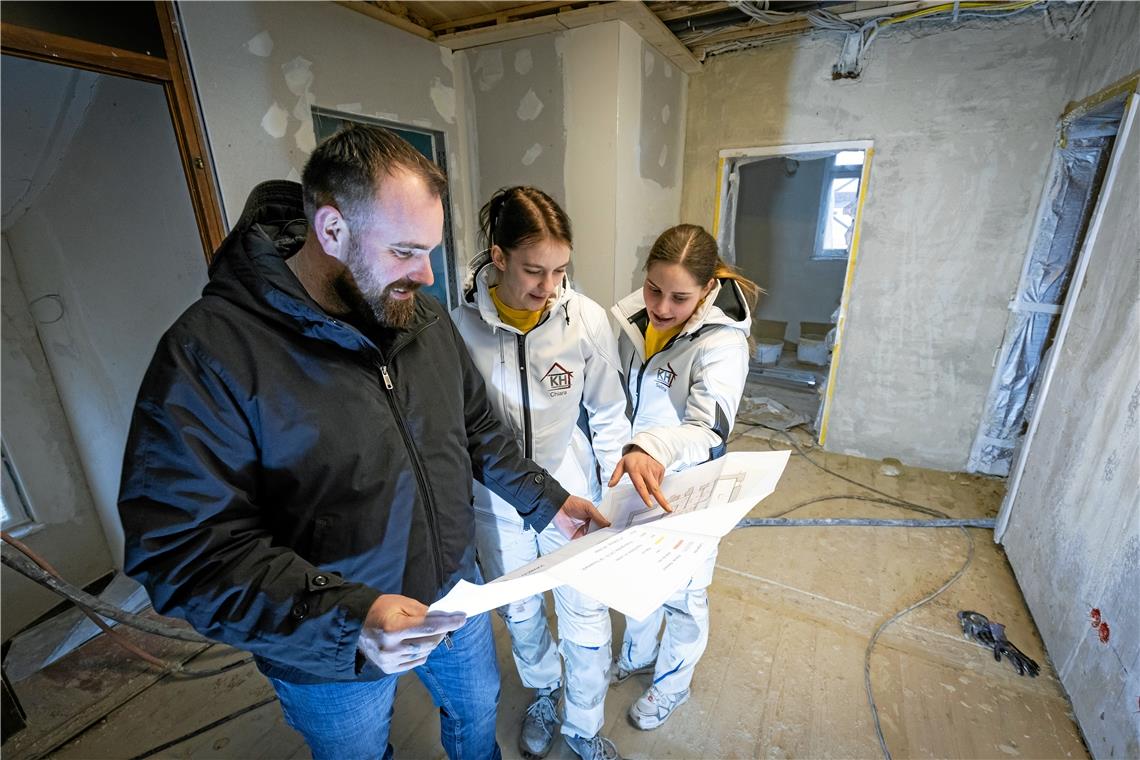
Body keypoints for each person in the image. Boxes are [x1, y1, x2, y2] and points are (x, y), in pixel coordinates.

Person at [117, 125, 608, 760]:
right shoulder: (211, 353)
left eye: (429, 250)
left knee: (476, 712)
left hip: (454, 598)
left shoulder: (419, 317)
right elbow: (182, 550)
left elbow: (477, 429)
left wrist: (550, 502)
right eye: (405, 251)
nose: (427, 276)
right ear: (330, 231)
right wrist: (349, 621)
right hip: (330, 652)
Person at [451, 187, 629, 760]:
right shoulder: (456, 329)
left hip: (569, 490)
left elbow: (607, 411)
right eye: (534, 270)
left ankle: (581, 725)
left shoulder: (585, 322)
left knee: (585, 613)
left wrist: (616, 490)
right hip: (495, 504)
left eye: (560, 270)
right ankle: (546, 691)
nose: (548, 287)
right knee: (522, 613)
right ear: (498, 257)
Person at [606, 223, 759, 730]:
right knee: (637, 576)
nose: (663, 308)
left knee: (685, 595)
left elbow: (708, 428)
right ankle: (637, 652)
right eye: (654, 289)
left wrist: (651, 446)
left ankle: (671, 684)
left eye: (679, 297)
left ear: (708, 290)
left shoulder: (722, 343)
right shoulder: (628, 318)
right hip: (634, 476)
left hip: (690, 484)